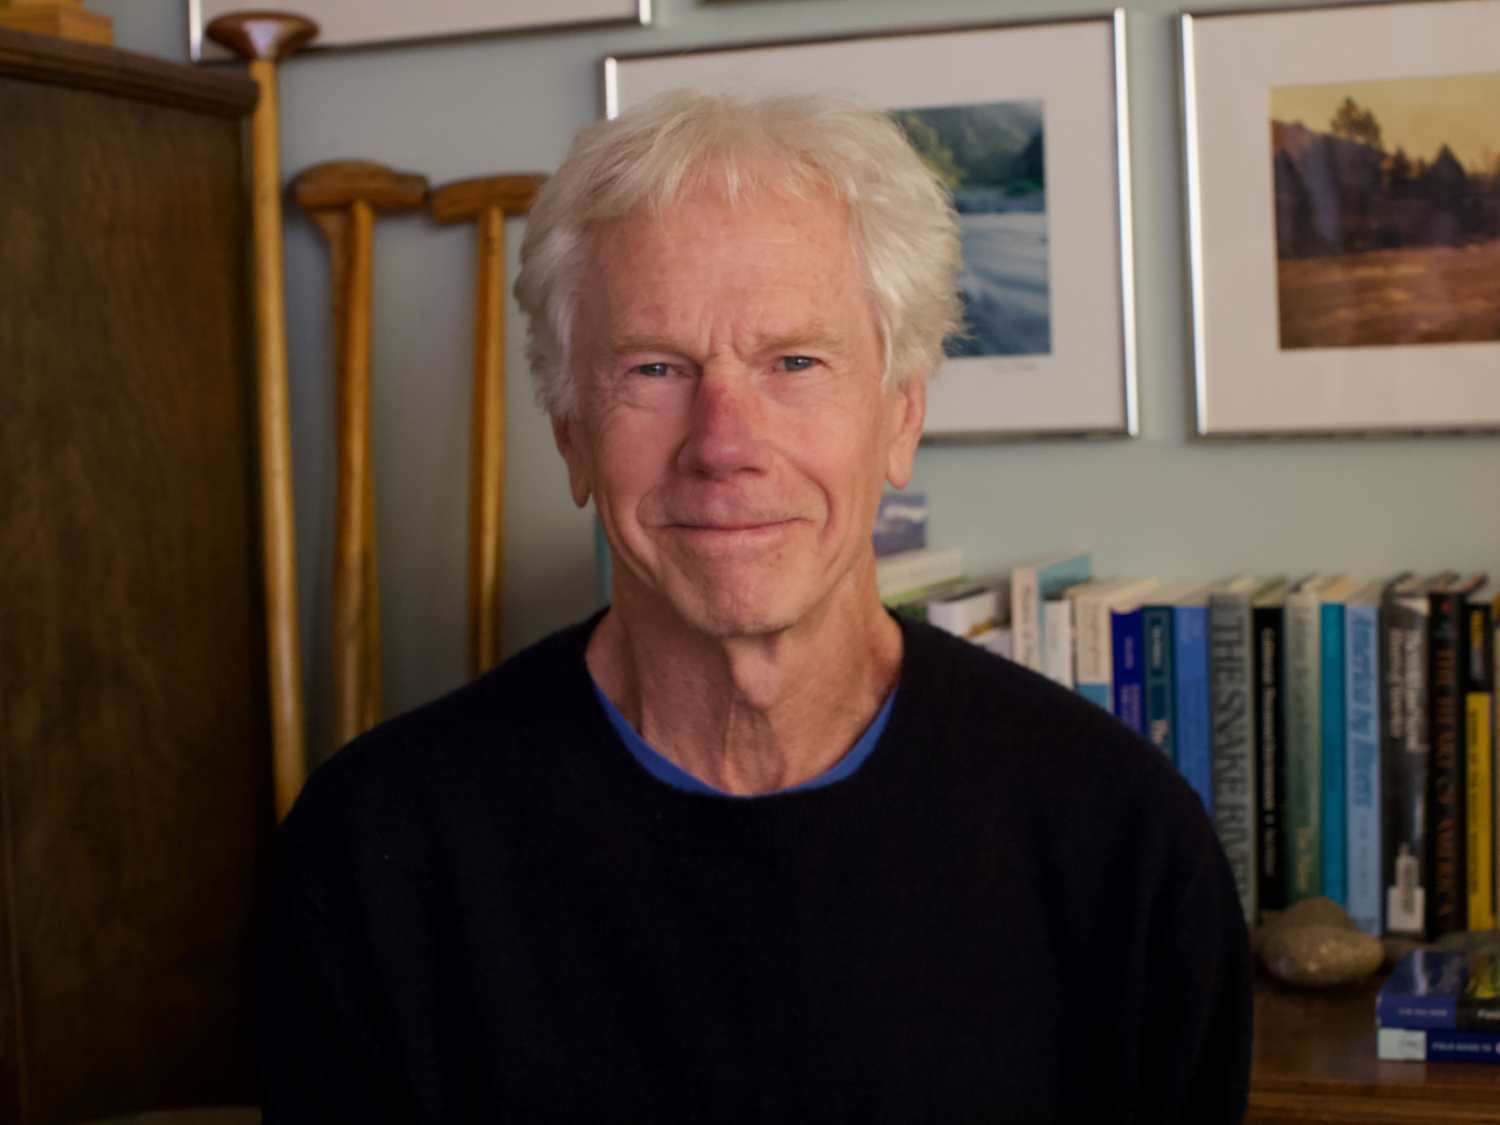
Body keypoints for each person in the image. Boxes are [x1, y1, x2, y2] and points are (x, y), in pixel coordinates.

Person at [254, 90, 1252, 1123]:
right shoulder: (374, 857)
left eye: (795, 363)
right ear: (569, 435)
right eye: (655, 368)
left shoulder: (1120, 844)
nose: (724, 443)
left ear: (901, 415)